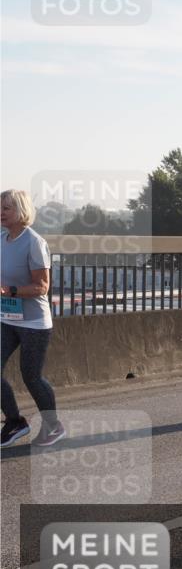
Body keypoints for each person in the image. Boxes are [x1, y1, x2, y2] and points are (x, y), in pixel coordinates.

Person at [1, 189, 65, 448]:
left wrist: (11, 291)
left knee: (31, 376)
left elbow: (43, 286)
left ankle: (53, 426)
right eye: (0, 207)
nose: (1, 212)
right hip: (7, 316)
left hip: (34, 323)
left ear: (21, 210)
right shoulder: (2, 238)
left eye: (7, 208)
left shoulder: (34, 242)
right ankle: (15, 422)